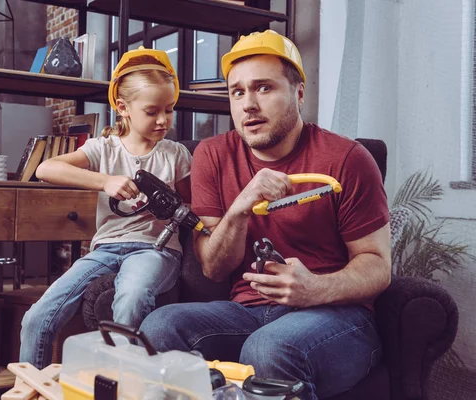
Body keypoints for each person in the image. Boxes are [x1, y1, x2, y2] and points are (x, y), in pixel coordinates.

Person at [139, 30, 391, 400]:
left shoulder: (348, 159)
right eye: (237, 92)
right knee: (159, 326)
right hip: (247, 312)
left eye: (264, 88)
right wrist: (241, 206)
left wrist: (313, 289)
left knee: (268, 349)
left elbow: (378, 266)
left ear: (298, 93)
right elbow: (214, 267)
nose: (248, 105)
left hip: (337, 316)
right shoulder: (212, 155)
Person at [20, 47, 192, 369]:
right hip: (105, 249)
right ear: (122, 107)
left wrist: (170, 206)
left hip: (155, 250)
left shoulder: (175, 154)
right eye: (152, 111)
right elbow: (45, 169)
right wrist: (105, 181)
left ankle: (120, 385)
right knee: (37, 317)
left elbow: (193, 202)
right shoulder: (104, 148)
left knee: (130, 298)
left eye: (169, 110)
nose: (163, 120)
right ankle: (32, 387)